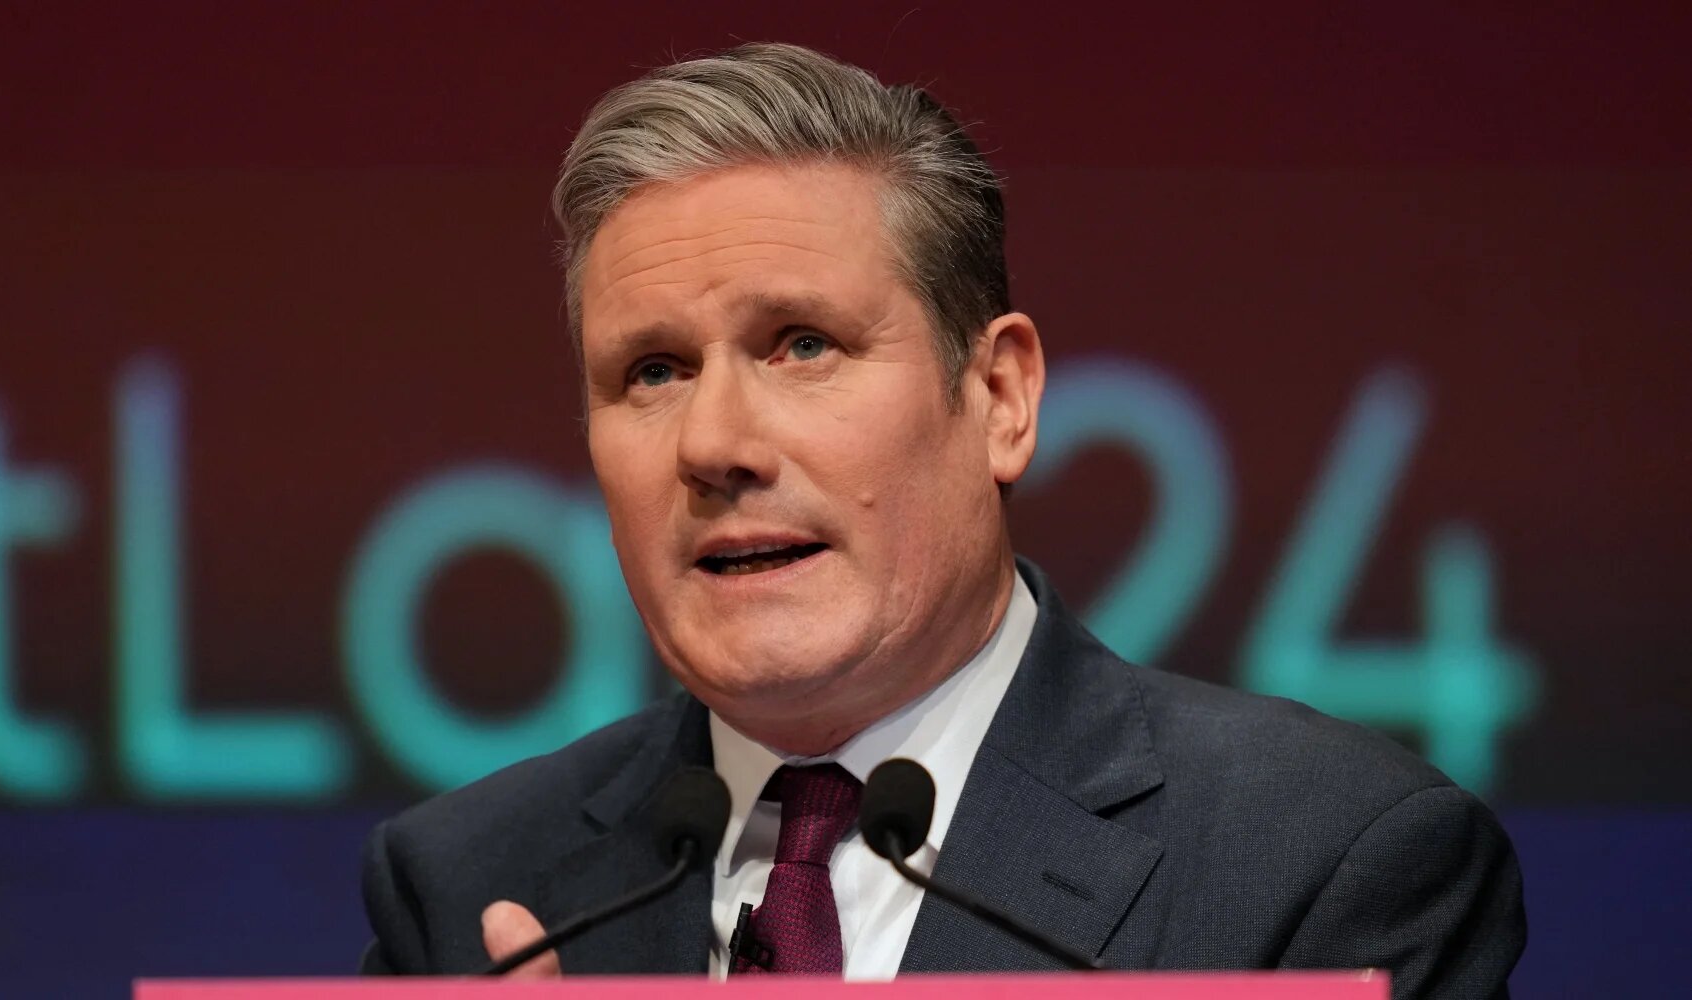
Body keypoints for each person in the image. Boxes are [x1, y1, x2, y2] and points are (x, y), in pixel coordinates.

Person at [360, 43, 1524, 997]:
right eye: (652, 371)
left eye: (801, 345)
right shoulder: (469, 894)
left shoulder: (1319, 866)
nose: (713, 443)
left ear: (1000, 398)